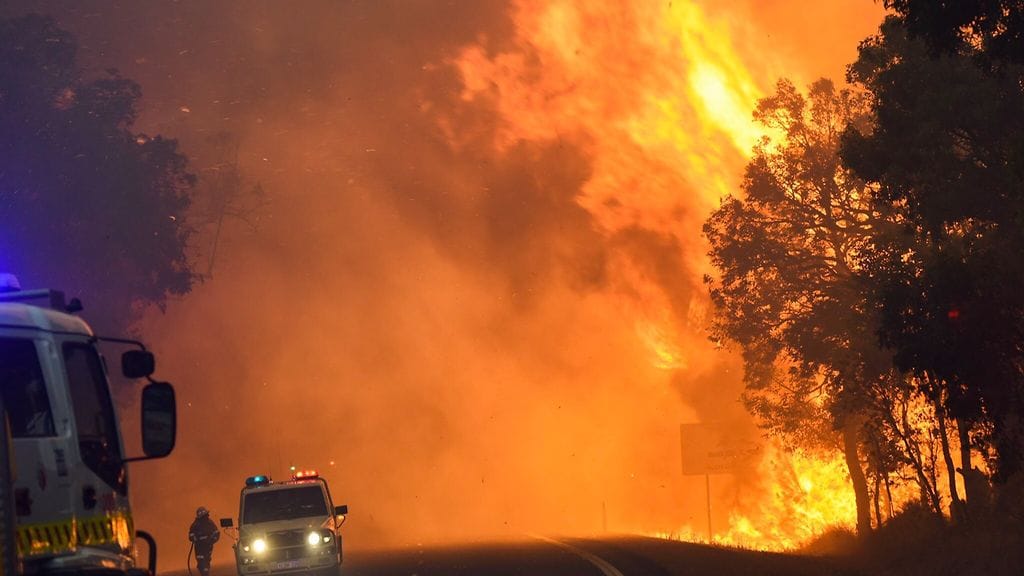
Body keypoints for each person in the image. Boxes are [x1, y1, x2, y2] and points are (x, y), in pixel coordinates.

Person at [189, 506, 220, 576]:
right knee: (201, 562)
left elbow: (216, 532)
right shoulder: (195, 525)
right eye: (203, 516)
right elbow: (191, 534)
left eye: (205, 516)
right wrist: (193, 538)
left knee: (206, 561)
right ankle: (204, 572)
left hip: (208, 546)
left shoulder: (210, 523)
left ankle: (205, 572)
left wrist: (212, 540)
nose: (205, 518)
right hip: (199, 547)